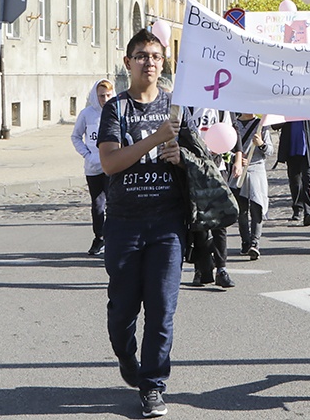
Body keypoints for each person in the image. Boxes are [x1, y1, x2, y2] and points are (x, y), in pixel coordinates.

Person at [97, 30, 189, 418]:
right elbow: (110, 163)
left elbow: (199, 160)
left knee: (162, 309)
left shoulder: (176, 107)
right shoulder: (115, 109)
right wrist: (154, 141)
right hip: (124, 224)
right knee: (122, 311)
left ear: (163, 62)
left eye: (154, 56)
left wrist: (181, 156)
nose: (148, 62)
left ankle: (153, 386)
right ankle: (126, 356)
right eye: (140, 56)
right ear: (128, 63)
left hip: (168, 224)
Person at [186, 107, 242, 289]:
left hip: (218, 170)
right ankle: (202, 268)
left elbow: (233, 132)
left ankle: (222, 269)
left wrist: (238, 159)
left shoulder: (222, 107)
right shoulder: (189, 105)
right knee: (200, 222)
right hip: (195, 170)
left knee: (221, 222)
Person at [71, 79, 114, 255]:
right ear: (95, 96)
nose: (105, 99)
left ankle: (114, 237)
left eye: (108, 95)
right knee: (98, 205)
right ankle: (99, 237)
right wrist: (88, 156)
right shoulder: (87, 114)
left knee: (114, 203)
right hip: (94, 167)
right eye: (101, 96)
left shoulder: (117, 111)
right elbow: (75, 137)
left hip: (113, 166)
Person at [229, 113, 272, 260]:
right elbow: (227, 146)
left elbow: (270, 151)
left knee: (256, 207)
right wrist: (237, 159)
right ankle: (245, 242)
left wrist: (261, 144)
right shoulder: (233, 124)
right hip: (239, 172)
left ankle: (255, 243)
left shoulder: (261, 125)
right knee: (241, 211)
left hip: (256, 170)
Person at [276, 120, 310, 225]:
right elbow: (275, 125)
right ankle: (298, 208)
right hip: (291, 146)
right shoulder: (288, 107)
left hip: (308, 148)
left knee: (308, 180)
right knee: (295, 182)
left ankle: (309, 211)